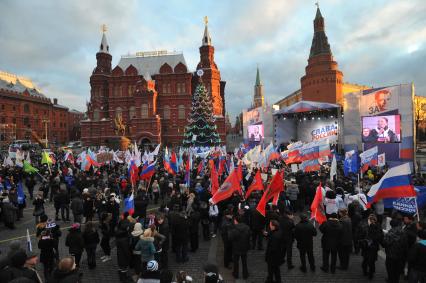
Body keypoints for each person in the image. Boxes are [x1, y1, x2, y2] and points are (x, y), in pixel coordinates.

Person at [358, 214, 383, 279]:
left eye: (372, 220)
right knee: (368, 261)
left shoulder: (376, 227)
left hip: (371, 247)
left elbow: (380, 237)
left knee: (369, 261)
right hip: (368, 246)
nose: (371, 221)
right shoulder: (366, 226)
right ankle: (367, 272)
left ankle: (369, 273)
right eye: (370, 220)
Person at [228, 215, 250, 279]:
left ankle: (236, 274)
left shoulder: (234, 229)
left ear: (236, 221)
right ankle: (245, 275)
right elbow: (249, 237)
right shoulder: (247, 227)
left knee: (236, 262)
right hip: (244, 247)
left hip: (236, 248)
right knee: (244, 262)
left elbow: (230, 238)